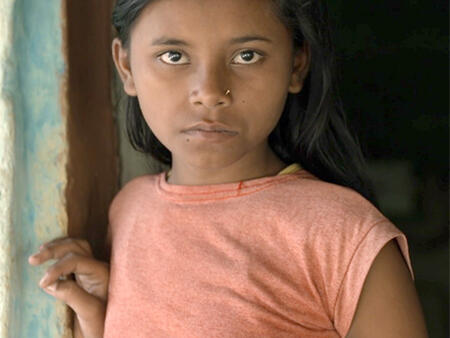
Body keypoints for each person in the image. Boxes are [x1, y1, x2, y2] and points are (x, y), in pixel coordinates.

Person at [28, 0, 429, 337]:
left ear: (296, 64)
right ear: (127, 65)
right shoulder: (127, 209)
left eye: (246, 55)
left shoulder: (344, 235)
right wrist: (103, 322)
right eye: (174, 56)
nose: (210, 93)